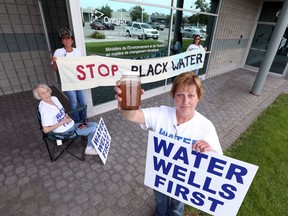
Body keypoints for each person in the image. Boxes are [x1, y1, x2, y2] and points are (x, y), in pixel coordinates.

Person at [114, 72, 223, 216]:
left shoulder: (206, 126)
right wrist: (126, 105)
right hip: (160, 174)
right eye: (180, 95)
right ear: (173, 96)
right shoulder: (161, 114)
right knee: (160, 201)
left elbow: (219, 161)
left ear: (199, 97)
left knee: (177, 206)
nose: (185, 101)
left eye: (191, 95)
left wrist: (209, 151)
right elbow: (133, 116)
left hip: (183, 181)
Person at [33, 83, 98, 155]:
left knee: (95, 125)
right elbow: (46, 130)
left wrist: (65, 115)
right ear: (39, 96)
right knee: (93, 129)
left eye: (47, 91)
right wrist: (62, 122)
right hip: (65, 133)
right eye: (42, 93)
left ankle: (91, 140)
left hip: (71, 125)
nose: (46, 94)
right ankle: (89, 149)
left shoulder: (54, 98)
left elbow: (59, 112)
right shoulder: (44, 108)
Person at [51, 28, 87, 122]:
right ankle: (78, 121)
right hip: (68, 82)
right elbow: (54, 69)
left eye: (68, 38)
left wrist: (92, 59)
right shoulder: (58, 52)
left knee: (83, 102)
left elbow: (83, 64)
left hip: (79, 81)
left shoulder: (77, 51)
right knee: (74, 103)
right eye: (64, 39)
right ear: (62, 41)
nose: (67, 40)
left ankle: (84, 120)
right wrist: (54, 62)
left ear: (72, 40)